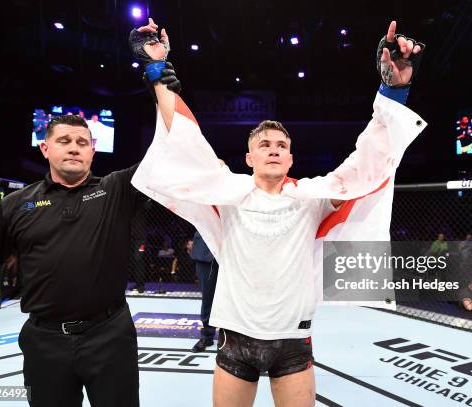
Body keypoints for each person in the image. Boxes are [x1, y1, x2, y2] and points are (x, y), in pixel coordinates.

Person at [131, 18, 425, 406]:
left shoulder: (313, 196)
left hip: (294, 341)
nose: (273, 148)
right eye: (264, 143)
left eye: (281, 145)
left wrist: (394, 90)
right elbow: (185, 140)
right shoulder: (227, 190)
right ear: (249, 157)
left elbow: (368, 164)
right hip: (235, 339)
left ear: (290, 158)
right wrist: (156, 69)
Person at [0, 39, 182, 405]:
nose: (75, 146)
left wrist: (156, 70)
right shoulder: (17, 203)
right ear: (45, 148)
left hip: (110, 336)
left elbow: (173, 146)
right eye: (64, 140)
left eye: (83, 141)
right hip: (45, 341)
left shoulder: (116, 190)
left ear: (93, 150)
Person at [189, 231, 219, 352]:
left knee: (236, 297)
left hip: (234, 248)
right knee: (208, 296)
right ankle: (207, 336)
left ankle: (234, 337)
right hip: (205, 248)